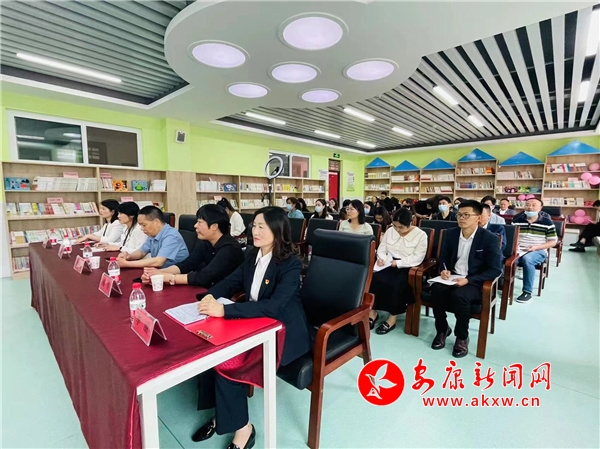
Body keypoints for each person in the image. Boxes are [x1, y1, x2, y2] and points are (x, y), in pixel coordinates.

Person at [192, 207, 310, 448]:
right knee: (208, 351)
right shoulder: (252, 255)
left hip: (281, 331)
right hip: (255, 322)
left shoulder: (290, 264)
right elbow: (231, 282)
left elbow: (274, 306)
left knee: (227, 364)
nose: (254, 231)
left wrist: (224, 310)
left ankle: (244, 430)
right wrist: (207, 297)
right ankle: (223, 415)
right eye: (253, 225)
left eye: (261, 226)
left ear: (277, 230)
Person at [430, 200, 502, 358]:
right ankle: (442, 330)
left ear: (478, 218)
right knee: (436, 289)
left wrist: (469, 280)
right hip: (453, 276)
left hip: (475, 280)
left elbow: (496, 269)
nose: (461, 218)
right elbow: (443, 258)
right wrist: (444, 270)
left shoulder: (489, 238)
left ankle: (462, 336)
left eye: (466, 215)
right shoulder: (450, 234)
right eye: (459, 215)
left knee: (460, 295)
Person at [141, 205, 244, 287]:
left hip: (223, 294)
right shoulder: (206, 243)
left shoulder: (229, 248)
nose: (195, 226)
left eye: (199, 222)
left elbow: (205, 276)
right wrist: (158, 273)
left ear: (214, 226)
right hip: (206, 287)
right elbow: (187, 264)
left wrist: (169, 278)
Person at [369, 208, 428, 334]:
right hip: (388, 263)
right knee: (373, 279)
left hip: (407, 266)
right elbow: (382, 249)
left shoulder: (421, 235)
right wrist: (381, 258)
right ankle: (373, 312)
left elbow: (418, 257)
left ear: (410, 223)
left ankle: (392, 317)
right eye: (395, 226)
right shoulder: (390, 230)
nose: (397, 229)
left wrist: (399, 263)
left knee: (396, 283)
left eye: (400, 227)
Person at [511, 198, 557, 303]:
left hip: (538, 250)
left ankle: (527, 292)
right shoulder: (517, 220)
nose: (530, 207)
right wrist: (515, 244)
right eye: (527, 204)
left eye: (534, 205)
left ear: (540, 208)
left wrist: (536, 248)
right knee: (507, 260)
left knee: (527, 259)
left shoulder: (547, 222)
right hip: (519, 249)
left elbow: (552, 242)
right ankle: (505, 288)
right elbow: (512, 237)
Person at [117, 206, 189, 268]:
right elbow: (141, 252)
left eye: (144, 225)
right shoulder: (153, 234)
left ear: (156, 222)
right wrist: (129, 257)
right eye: (140, 225)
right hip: (158, 271)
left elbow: (159, 261)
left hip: (174, 274)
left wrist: (127, 264)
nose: (142, 229)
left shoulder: (171, 236)